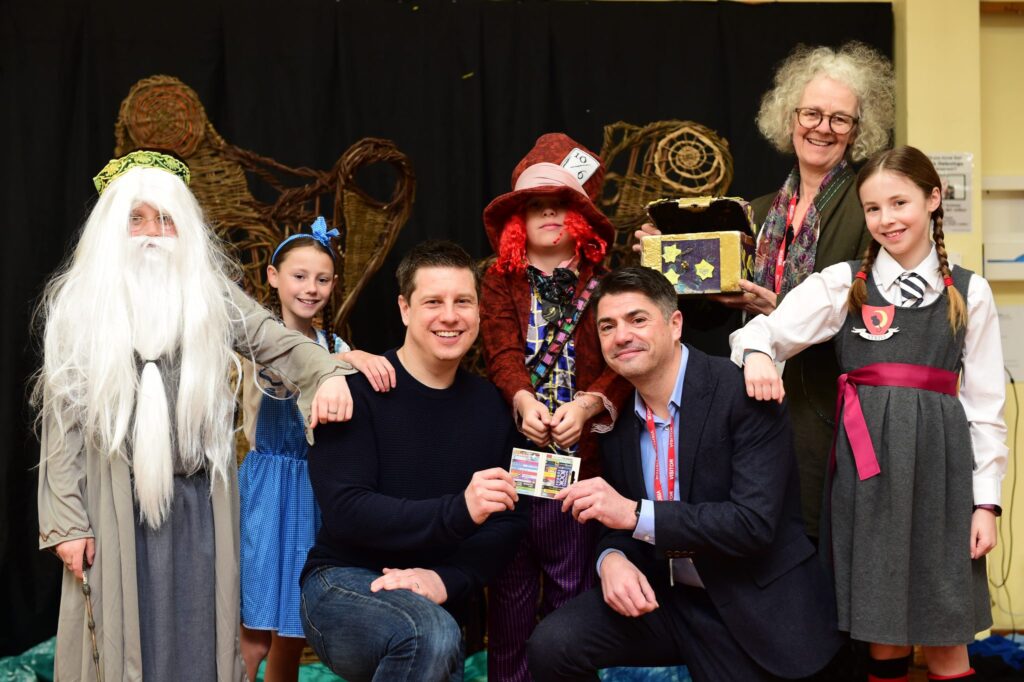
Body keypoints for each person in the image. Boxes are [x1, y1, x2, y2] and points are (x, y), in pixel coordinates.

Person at [34, 150, 355, 682]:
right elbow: (60, 424)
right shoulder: (81, 306)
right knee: (116, 641)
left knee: (202, 633)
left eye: (166, 219)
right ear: (114, 227)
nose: (153, 233)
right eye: (137, 218)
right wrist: (67, 522)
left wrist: (327, 373)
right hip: (114, 506)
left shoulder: (210, 296)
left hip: (200, 505)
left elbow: (273, 342)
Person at [731, 145, 1007, 681]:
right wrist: (761, 355)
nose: (886, 220)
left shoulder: (970, 293)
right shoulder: (842, 284)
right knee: (881, 634)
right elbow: (762, 331)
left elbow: (986, 408)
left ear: (933, 199)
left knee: (946, 633)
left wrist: (986, 505)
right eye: (873, 208)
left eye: (899, 203)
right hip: (868, 476)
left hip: (942, 480)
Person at [527, 267, 842, 682]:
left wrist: (635, 515)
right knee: (552, 645)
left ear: (675, 324)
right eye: (608, 326)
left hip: (753, 599)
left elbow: (753, 525)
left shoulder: (743, 393)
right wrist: (612, 559)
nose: (621, 335)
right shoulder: (616, 420)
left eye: (637, 319)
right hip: (668, 598)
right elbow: (616, 524)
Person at [636, 42, 895, 540]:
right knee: (754, 538)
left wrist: (777, 311)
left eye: (840, 119)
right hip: (750, 404)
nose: (822, 128)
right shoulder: (751, 211)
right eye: (812, 113)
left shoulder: (869, 207)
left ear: (859, 131)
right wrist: (664, 258)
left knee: (817, 544)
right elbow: (703, 313)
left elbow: (875, 321)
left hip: (824, 408)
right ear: (790, 117)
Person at [300, 240, 529, 682]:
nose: (450, 316)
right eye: (432, 302)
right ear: (405, 309)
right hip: (342, 583)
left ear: (479, 311)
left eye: (463, 301)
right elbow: (347, 511)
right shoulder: (354, 390)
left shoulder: (492, 406)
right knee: (427, 634)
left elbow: (508, 524)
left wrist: (447, 578)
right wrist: (460, 510)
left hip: (437, 594)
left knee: (432, 632)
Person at [479, 132, 631, 681]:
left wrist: (590, 405)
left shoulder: (608, 285)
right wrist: (522, 398)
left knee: (573, 590)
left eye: (560, 204)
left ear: (581, 218)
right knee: (512, 594)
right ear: (519, 221)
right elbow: (499, 348)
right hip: (516, 465)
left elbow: (625, 362)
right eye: (535, 205)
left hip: (582, 463)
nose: (548, 213)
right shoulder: (498, 282)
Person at [238, 217, 396, 682]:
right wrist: (346, 360)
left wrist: (357, 358)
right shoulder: (253, 339)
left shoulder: (333, 343)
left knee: (293, 622)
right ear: (273, 276)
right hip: (266, 490)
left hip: (312, 488)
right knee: (252, 631)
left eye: (322, 279)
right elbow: (287, 370)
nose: (311, 288)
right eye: (299, 276)